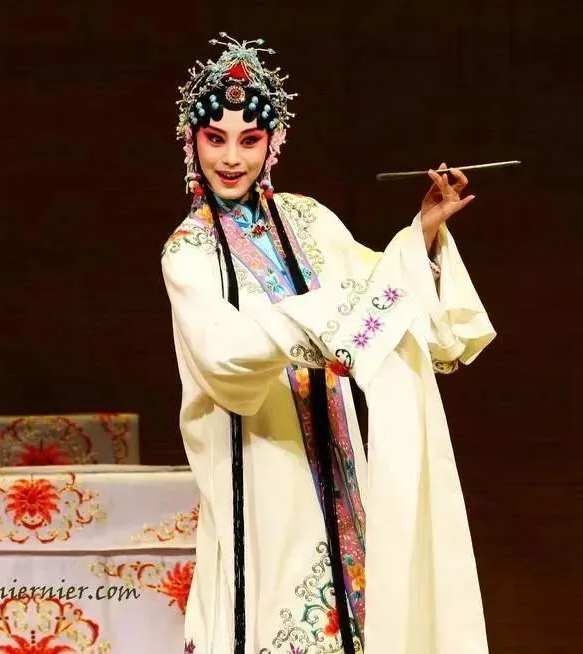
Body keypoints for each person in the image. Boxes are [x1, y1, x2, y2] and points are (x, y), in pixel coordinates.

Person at [161, 36, 495, 653]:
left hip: (335, 451)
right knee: (272, 603)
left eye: (249, 140)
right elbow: (222, 352)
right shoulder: (189, 251)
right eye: (215, 138)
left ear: (274, 143)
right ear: (192, 141)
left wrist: (422, 234)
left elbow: (379, 288)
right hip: (260, 457)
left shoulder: (308, 220)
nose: (231, 158)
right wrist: (327, 319)